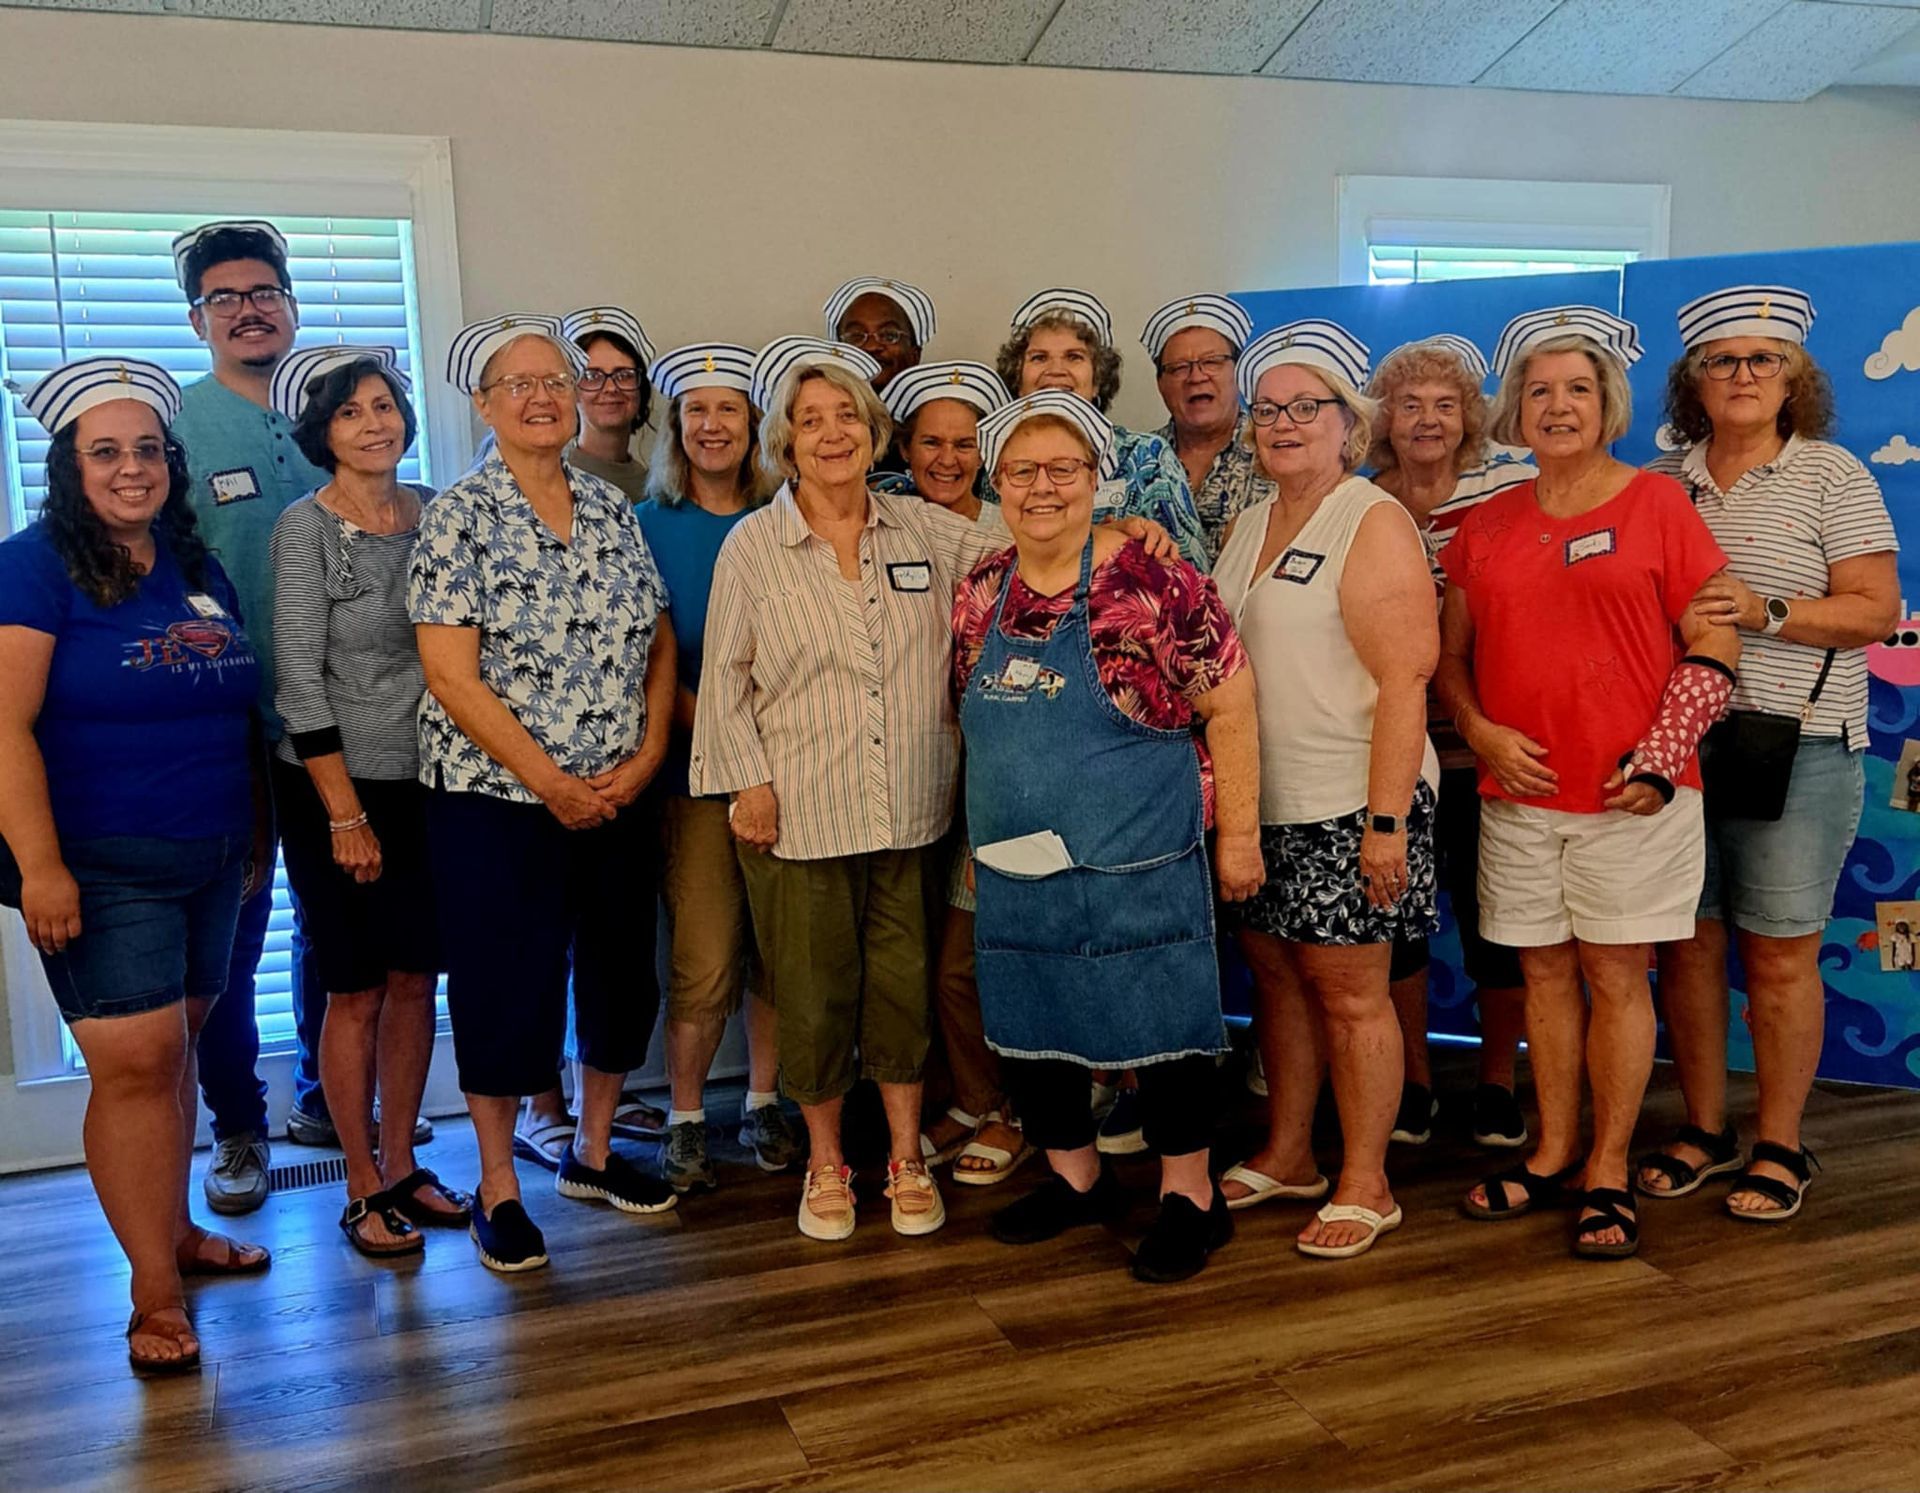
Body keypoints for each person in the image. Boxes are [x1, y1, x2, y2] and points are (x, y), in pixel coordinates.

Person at [689, 336, 1008, 1243]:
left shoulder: (926, 530)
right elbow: (727, 678)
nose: (832, 435)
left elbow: (1030, 533)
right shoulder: (754, 545)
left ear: (875, 434)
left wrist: (1122, 528)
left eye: (848, 419)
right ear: (785, 444)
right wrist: (746, 783)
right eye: (809, 421)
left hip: (909, 809)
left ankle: (906, 1156)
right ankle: (827, 1162)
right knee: (816, 994)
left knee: (902, 989)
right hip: (797, 815)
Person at [1439, 306, 1741, 1260]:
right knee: (1539, 975)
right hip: (1518, 796)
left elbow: (1715, 638)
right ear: (1515, 413)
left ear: (1607, 404)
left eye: (1576, 388)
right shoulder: (1484, 526)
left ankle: (1607, 1164)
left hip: (1632, 795)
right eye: (1538, 391)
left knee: (1616, 973)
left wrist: (1661, 756)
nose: (1557, 405)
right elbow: (1450, 661)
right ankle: (1552, 1147)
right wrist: (1481, 731)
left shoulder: (1658, 504)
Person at [0, 358, 271, 1374]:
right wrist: (40, 866)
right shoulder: (29, 567)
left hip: (215, 849)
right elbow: (4, 727)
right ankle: (153, 1294)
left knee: (180, 1052)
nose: (131, 468)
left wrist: (251, 836)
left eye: (148, 449)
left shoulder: (192, 563)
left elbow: (232, 701)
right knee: (137, 1065)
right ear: (69, 466)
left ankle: (180, 1232)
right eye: (105, 451)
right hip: (99, 862)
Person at [954, 391, 1262, 1281]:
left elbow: (1231, 702)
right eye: (1022, 471)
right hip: (1016, 861)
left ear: (1098, 479)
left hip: (1141, 853)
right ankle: (1076, 1177)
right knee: (1032, 1023)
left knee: (1164, 1028)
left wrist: (1238, 835)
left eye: (1063, 469)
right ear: (997, 481)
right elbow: (964, 716)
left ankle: (1188, 1197)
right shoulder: (980, 590)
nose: (1041, 488)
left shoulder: (1157, 582)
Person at [410, 314, 679, 1273]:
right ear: (482, 405)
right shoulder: (458, 515)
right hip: (497, 800)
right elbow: (451, 674)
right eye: (515, 383)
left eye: (553, 380)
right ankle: (499, 1185)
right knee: (503, 985)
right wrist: (551, 783)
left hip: (616, 791)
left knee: (620, 973)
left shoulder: (612, 508)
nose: (540, 395)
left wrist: (646, 757)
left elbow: (656, 639)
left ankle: (595, 1154)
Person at [1638, 286, 1899, 1222]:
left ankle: (1782, 1141)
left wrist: (1769, 613)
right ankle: (1705, 1127)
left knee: (1782, 954)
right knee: (1690, 943)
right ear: (1692, 381)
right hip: (1679, 747)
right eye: (1722, 360)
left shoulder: (1833, 475)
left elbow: (1876, 611)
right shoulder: (1658, 480)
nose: (1742, 375)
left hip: (1801, 746)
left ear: (1795, 378)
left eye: (1763, 360)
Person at [1212, 322, 1441, 1260]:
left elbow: (1406, 681)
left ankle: (1367, 1180)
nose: (1284, 423)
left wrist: (1386, 825)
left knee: (1352, 995)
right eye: (1268, 410)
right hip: (1262, 803)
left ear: (1351, 423)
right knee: (1280, 980)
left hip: (1356, 802)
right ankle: (1293, 1151)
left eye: (1307, 407)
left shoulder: (1370, 517)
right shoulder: (1247, 523)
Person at [268, 346, 469, 1258]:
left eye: (385, 405)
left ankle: (401, 1161)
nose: (374, 423)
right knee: (352, 987)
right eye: (351, 412)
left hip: (427, 780)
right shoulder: (303, 530)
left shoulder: (434, 511)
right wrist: (344, 814)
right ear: (323, 433)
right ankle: (357, 1180)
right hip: (330, 787)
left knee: (414, 980)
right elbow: (298, 684)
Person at [168, 220, 322, 1211]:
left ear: (290, 304)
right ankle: (237, 1128)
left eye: (262, 291)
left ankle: (324, 1095)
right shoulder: (171, 426)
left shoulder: (334, 414)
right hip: (221, 723)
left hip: (335, 719)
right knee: (233, 930)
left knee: (337, 911)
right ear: (197, 319)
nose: (248, 308)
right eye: (225, 297)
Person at [633, 341, 801, 1193]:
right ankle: (688, 1114)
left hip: (797, 770)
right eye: (694, 410)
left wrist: (773, 749)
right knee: (703, 952)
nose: (711, 424)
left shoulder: (789, 516)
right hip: (698, 772)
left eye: (728, 408)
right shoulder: (645, 524)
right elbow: (650, 660)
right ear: (674, 427)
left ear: (754, 425)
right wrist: (730, 738)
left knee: (777, 947)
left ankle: (763, 1101)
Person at [1364, 335, 1534, 1151]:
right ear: (1382, 419)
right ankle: (1412, 1082)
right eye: (1409, 404)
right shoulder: (1360, 501)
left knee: (1493, 920)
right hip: (1388, 755)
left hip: (1483, 749)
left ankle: (1498, 1082)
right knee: (1394, 924)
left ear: (1470, 417)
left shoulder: (1511, 490)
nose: (1427, 419)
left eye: (1445, 404)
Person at [876, 361, 1031, 1184]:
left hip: (995, 781)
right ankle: (970, 1098)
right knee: (923, 958)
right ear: (904, 446)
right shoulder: (880, 524)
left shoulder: (1020, 528)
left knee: (971, 963)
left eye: (965, 442)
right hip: (906, 777)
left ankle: (1012, 1108)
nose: (947, 457)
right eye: (930, 441)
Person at [996, 287, 1209, 570]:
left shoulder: (1146, 456)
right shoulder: (995, 463)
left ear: (1098, 380)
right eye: (1039, 357)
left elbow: (1191, 573)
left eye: (1074, 356)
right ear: (1017, 379)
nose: (1056, 369)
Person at [1142, 293, 1275, 563]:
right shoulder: (1138, 458)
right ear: (1160, 384)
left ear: (1239, 372)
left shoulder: (1275, 450)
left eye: (1212, 362)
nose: (1196, 377)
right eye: (1179, 368)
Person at [560, 305, 654, 502]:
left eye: (624, 375)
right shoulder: (555, 478)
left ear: (640, 387)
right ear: (572, 389)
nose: (611, 388)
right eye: (592, 376)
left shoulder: (653, 487)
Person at [824, 276, 935, 393]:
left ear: (915, 356)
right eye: (856, 336)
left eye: (889, 336)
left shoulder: (937, 410)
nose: (871, 347)